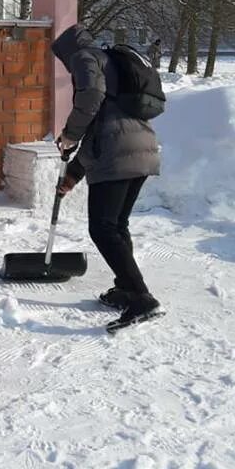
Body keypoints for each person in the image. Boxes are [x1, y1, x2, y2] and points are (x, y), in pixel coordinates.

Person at [51, 23, 163, 332]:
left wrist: (69, 134)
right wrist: (74, 173)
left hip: (117, 152)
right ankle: (126, 289)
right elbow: (104, 125)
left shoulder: (84, 58)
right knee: (116, 225)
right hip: (142, 147)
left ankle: (141, 297)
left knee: (102, 228)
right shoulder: (111, 61)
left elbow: (91, 101)